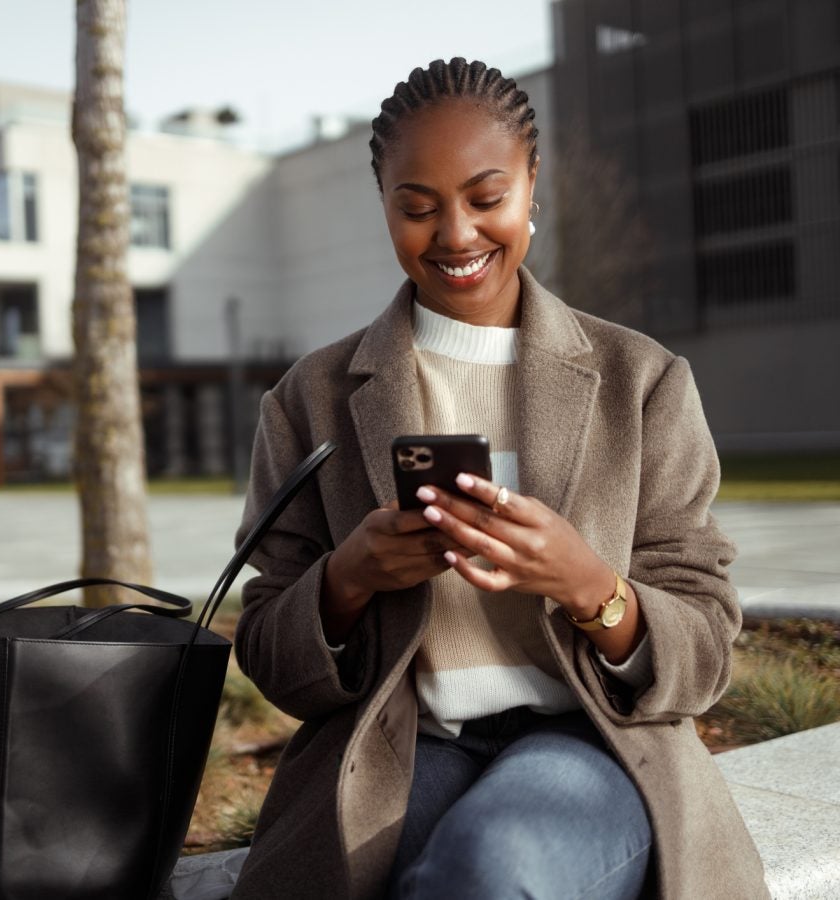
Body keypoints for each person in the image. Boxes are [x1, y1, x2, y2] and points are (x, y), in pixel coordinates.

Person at [228, 58, 767, 899]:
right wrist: (347, 580)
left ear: (531, 185)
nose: (455, 234)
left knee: (488, 870)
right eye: (417, 207)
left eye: (486, 198)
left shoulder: (643, 380)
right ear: (385, 206)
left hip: (593, 739)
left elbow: (704, 653)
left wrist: (590, 584)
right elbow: (268, 650)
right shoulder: (311, 399)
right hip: (403, 744)